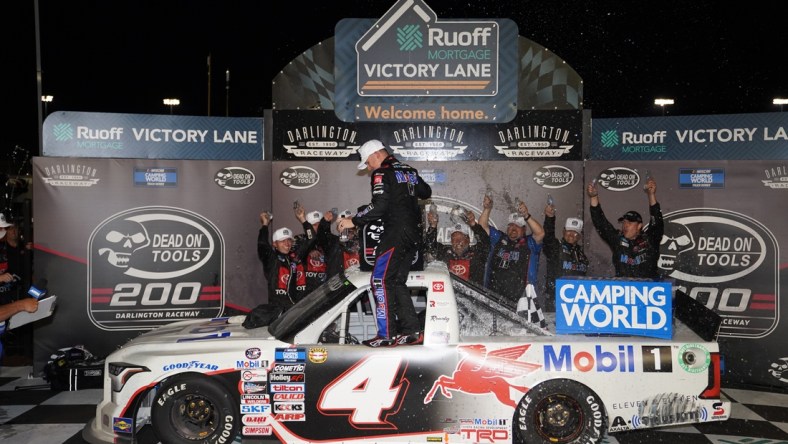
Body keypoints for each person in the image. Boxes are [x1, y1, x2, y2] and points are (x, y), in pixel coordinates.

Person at [337, 139, 432, 347]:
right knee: (396, 281)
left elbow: (378, 207)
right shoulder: (409, 170)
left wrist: (353, 220)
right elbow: (426, 192)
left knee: (379, 281)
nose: (368, 168)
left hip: (395, 235)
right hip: (413, 236)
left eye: (368, 163)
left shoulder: (381, 173)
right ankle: (412, 331)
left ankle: (386, 334)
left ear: (377, 155)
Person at [587, 176, 664, 279]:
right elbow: (601, 223)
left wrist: (651, 195)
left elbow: (657, 221)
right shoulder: (618, 240)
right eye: (624, 222)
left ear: (639, 226)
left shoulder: (650, 239)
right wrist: (593, 197)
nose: (625, 225)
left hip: (648, 291)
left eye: (630, 222)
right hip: (624, 291)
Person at [479, 195, 545, 313]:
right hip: (494, 298)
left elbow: (540, 233)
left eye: (518, 226)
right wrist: (487, 209)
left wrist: (526, 215)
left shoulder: (530, 243)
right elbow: (482, 226)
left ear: (524, 229)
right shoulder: (499, 238)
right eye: (511, 225)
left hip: (521, 301)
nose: (513, 228)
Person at [257, 206, 317, 310]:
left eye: (289, 240)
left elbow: (312, 239)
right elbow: (262, 243)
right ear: (275, 244)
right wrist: (265, 224)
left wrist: (303, 219)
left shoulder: (297, 256)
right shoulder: (271, 258)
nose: (287, 243)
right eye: (282, 241)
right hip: (280, 312)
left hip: (301, 308)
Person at [424, 200, 490, 286]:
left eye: (461, 238)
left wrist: (474, 224)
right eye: (454, 238)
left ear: (468, 240)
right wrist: (433, 226)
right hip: (449, 296)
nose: (457, 241)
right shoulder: (445, 252)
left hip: (473, 298)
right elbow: (430, 247)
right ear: (451, 241)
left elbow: (486, 243)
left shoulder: (477, 253)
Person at [542, 203, 589, 312]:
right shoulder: (555, 247)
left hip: (577, 302)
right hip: (556, 301)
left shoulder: (582, 255)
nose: (571, 234)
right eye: (569, 231)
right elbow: (548, 237)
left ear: (580, 236)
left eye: (575, 232)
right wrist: (550, 218)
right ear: (563, 231)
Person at [319, 209, 360, 277]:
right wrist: (325, 222)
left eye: (350, 221)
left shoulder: (363, 241)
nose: (347, 225)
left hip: (358, 283)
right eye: (344, 222)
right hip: (338, 284)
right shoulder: (333, 242)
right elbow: (322, 236)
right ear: (338, 227)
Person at [301, 210, 328, 293]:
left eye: (319, 225)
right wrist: (308, 250)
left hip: (327, 288)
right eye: (314, 225)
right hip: (307, 291)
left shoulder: (330, 240)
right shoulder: (300, 241)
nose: (318, 227)